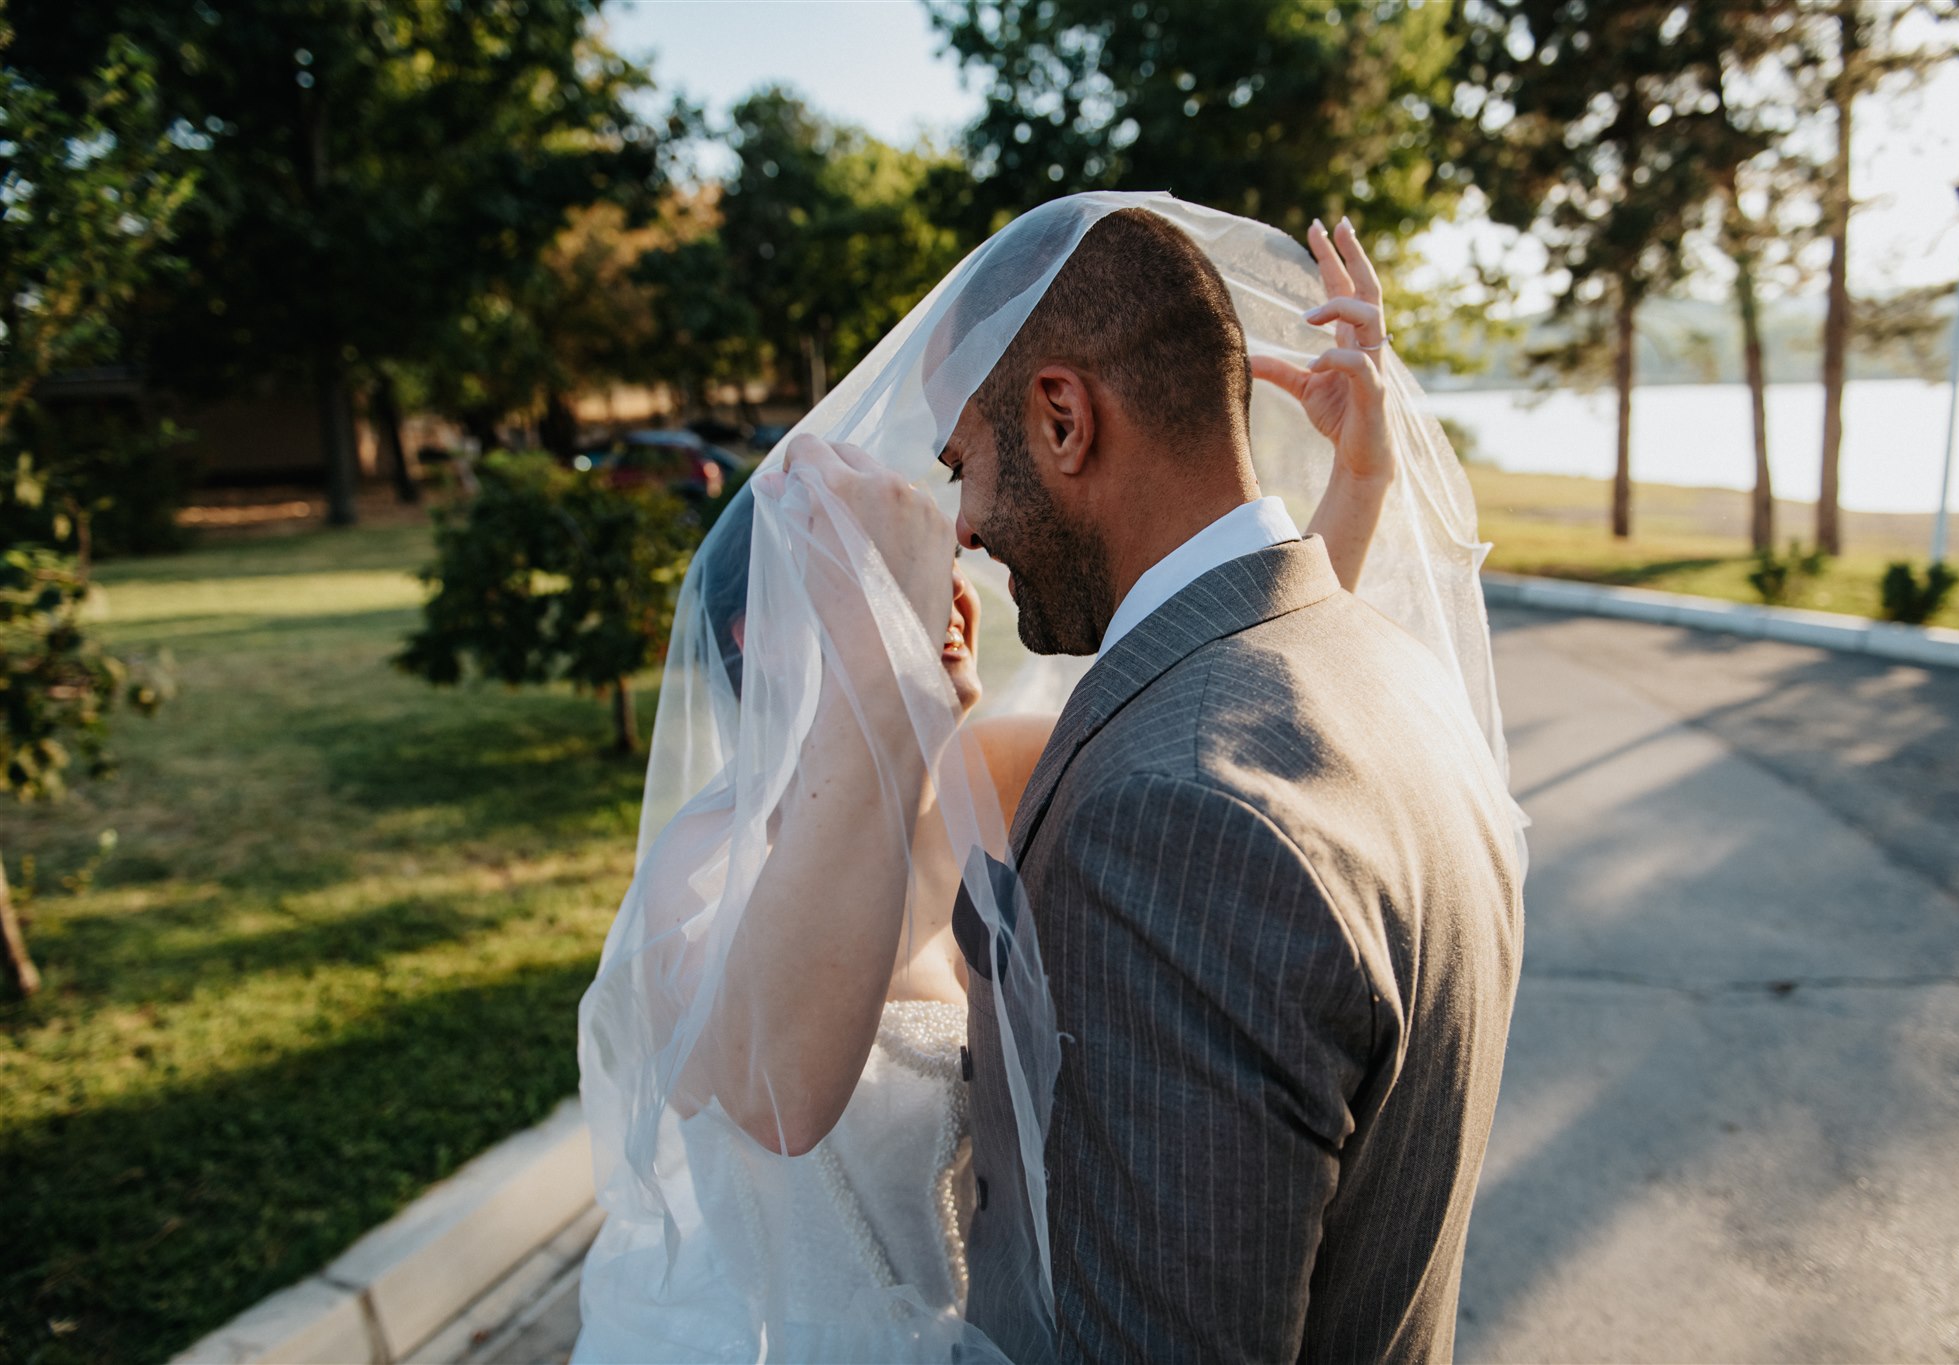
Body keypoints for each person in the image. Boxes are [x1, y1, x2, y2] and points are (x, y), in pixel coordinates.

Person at [573, 194, 1523, 1363]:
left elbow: (1221, 693)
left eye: (958, 468)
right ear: (754, 648)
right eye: (857, 579)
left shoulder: (1014, 776)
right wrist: (886, 681)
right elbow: (775, 1094)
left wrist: (1360, 490)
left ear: (1062, 419)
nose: (951, 543)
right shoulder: (702, 867)